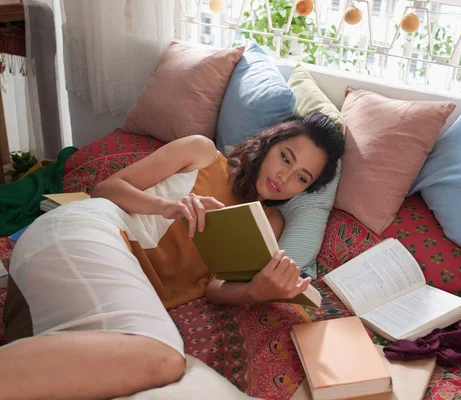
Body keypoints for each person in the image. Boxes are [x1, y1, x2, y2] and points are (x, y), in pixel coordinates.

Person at [0, 112, 345, 400]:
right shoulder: (202, 153)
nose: (284, 177)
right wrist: (167, 206)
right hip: (90, 232)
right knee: (165, 359)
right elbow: (105, 190)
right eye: (286, 157)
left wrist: (258, 291)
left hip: (100, 283)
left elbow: (213, 286)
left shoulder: (270, 222)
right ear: (269, 143)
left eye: (302, 177)